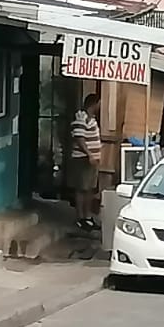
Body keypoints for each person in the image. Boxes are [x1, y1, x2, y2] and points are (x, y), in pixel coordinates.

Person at [69, 93, 102, 231]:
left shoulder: (92, 119)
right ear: (93, 104)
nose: (99, 107)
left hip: (92, 160)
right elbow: (79, 137)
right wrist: (89, 154)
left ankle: (87, 217)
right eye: (98, 104)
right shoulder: (81, 117)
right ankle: (80, 218)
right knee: (82, 189)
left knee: (89, 189)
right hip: (83, 159)